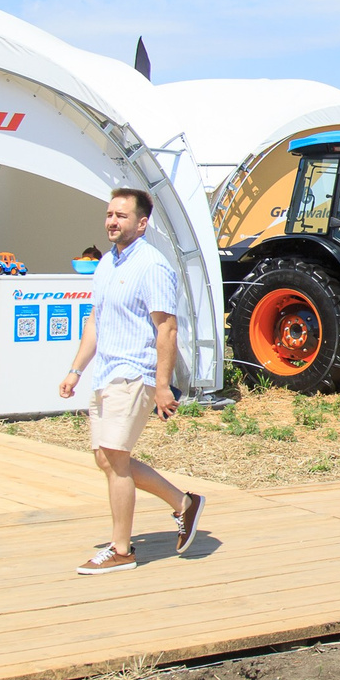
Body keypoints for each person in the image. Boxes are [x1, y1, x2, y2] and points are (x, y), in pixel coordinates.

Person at [58, 187, 203, 574]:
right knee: (105, 458)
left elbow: (167, 329)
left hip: (134, 373)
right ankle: (183, 503)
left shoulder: (153, 266)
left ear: (142, 223)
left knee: (116, 459)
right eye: (109, 214)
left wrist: (161, 385)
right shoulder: (106, 264)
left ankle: (121, 550)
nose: (112, 221)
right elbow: (96, 323)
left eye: (121, 215)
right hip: (106, 373)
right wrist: (75, 370)